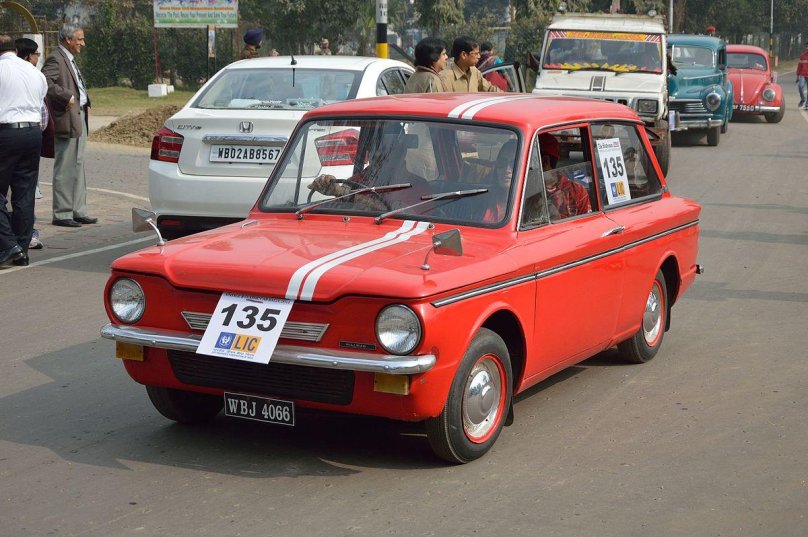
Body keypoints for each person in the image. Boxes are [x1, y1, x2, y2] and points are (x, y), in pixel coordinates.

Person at [42, 23, 98, 228]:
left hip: (79, 117)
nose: (83, 43)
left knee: (78, 165)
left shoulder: (69, 59)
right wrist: (67, 96)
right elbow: (45, 83)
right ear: (68, 39)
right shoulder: (56, 58)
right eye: (80, 39)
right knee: (66, 166)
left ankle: (78, 210)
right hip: (66, 117)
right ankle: (62, 213)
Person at [0, 35, 47, 266]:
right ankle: (22, 250)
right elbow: (41, 108)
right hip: (32, 133)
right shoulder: (34, 72)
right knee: (24, 195)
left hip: (6, 133)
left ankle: (9, 246)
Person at [307, 123, 429, 210]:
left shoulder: (417, 187)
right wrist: (328, 186)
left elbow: (392, 213)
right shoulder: (354, 182)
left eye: (384, 147)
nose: (377, 153)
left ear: (402, 149)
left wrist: (342, 192)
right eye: (372, 145)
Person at [15, 37, 53, 251]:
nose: (39, 57)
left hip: (23, 138)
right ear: (28, 55)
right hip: (29, 137)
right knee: (24, 191)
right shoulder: (34, 76)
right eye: (37, 54)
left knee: (24, 191)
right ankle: (23, 236)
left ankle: (24, 235)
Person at [538, 133, 591, 219]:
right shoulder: (523, 190)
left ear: (545, 161)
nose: (508, 169)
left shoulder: (576, 191)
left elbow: (586, 225)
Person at [482, 140, 517, 223]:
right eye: (502, 162)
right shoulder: (482, 199)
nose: (507, 170)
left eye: (514, 164)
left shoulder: (530, 203)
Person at [798, 42, 808, 110]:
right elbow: (799, 66)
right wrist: (797, 75)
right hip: (802, 75)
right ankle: (803, 99)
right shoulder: (803, 56)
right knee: (800, 86)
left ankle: (807, 105)